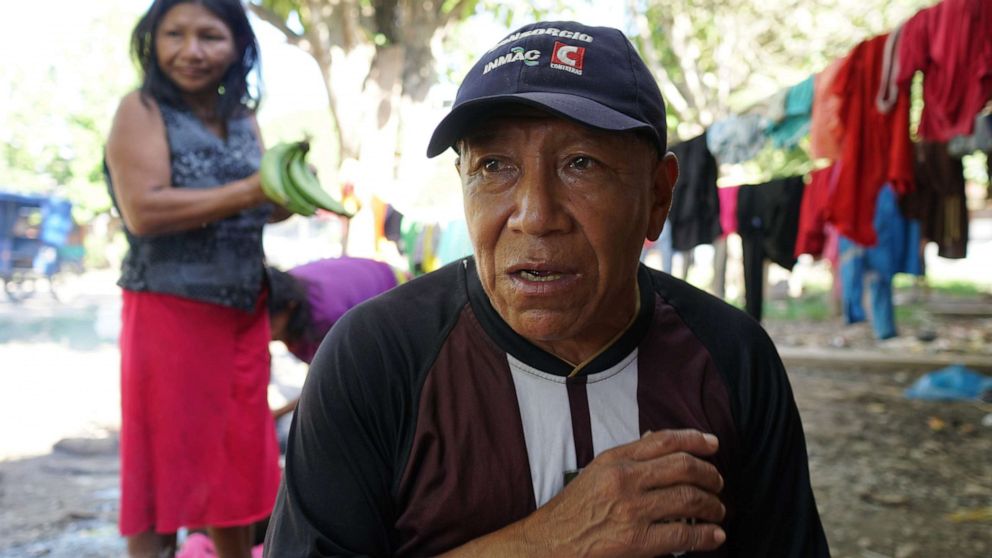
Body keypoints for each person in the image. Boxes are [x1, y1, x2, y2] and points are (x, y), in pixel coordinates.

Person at [264, 20, 830, 557]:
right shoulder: (375, 358)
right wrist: (547, 542)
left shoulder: (733, 357)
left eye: (580, 163)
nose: (535, 216)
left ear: (658, 197)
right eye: (493, 166)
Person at [104, 1, 287, 556]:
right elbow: (144, 210)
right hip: (170, 311)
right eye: (175, 34)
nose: (191, 50)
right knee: (164, 469)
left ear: (237, 46)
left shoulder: (242, 116)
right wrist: (253, 191)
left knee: (233, 471)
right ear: (152, 41)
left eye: (210, 36)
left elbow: (258, 205)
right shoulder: (142, 109)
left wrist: (286, 196)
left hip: (242, 315)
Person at [265, 257, 406, 424]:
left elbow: (331, 386)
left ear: (290, 305)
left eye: (271, 323)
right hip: (378, 272)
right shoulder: (282, 288)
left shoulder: (326, 318)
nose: (266, 332)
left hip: (399, 292)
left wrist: (278, 413)